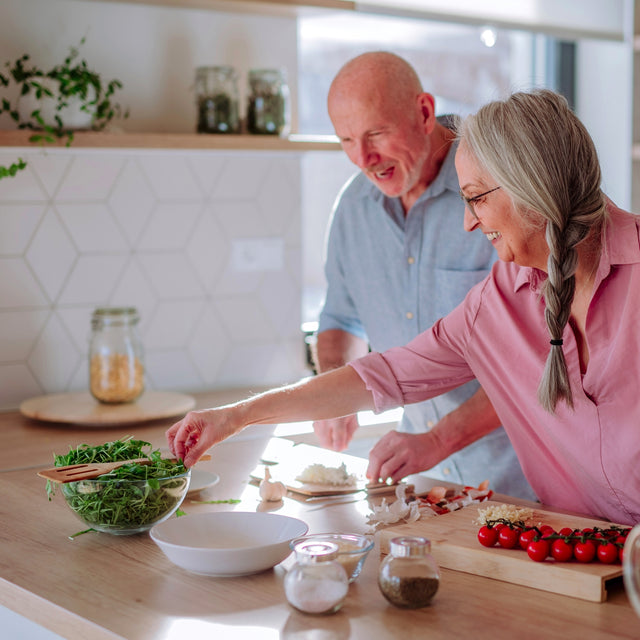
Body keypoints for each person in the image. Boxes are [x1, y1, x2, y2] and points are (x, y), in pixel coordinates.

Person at [167, 88, 640, 526]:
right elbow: (386, 375)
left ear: (529, 186)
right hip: (578, 557)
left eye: (475, 199)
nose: (468, 223)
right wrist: (234, 417)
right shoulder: (498, 301)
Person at [312, 51, 533, 498]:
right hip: (421, 485)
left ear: (425, 112)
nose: (363, 157)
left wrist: (439, 440)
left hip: (521, 480)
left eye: (376, 133)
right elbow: (341, 318)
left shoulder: (496, 190)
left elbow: (533, 358)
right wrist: (333, 393)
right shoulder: (352, 210)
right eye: (346, 140)